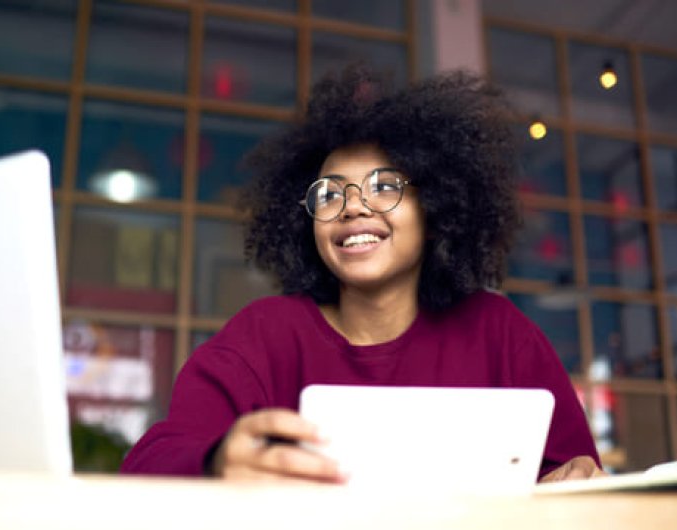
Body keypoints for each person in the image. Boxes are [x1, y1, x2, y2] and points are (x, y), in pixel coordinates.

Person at [120, 63, 602, 483]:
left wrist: (581, 479)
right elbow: (148, 463)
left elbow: (579, 479)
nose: (353, 208)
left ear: (434, 206)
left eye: (384, 186)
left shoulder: (498, 332)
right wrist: (216, 463)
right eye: (330, 194)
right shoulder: (266, 335)